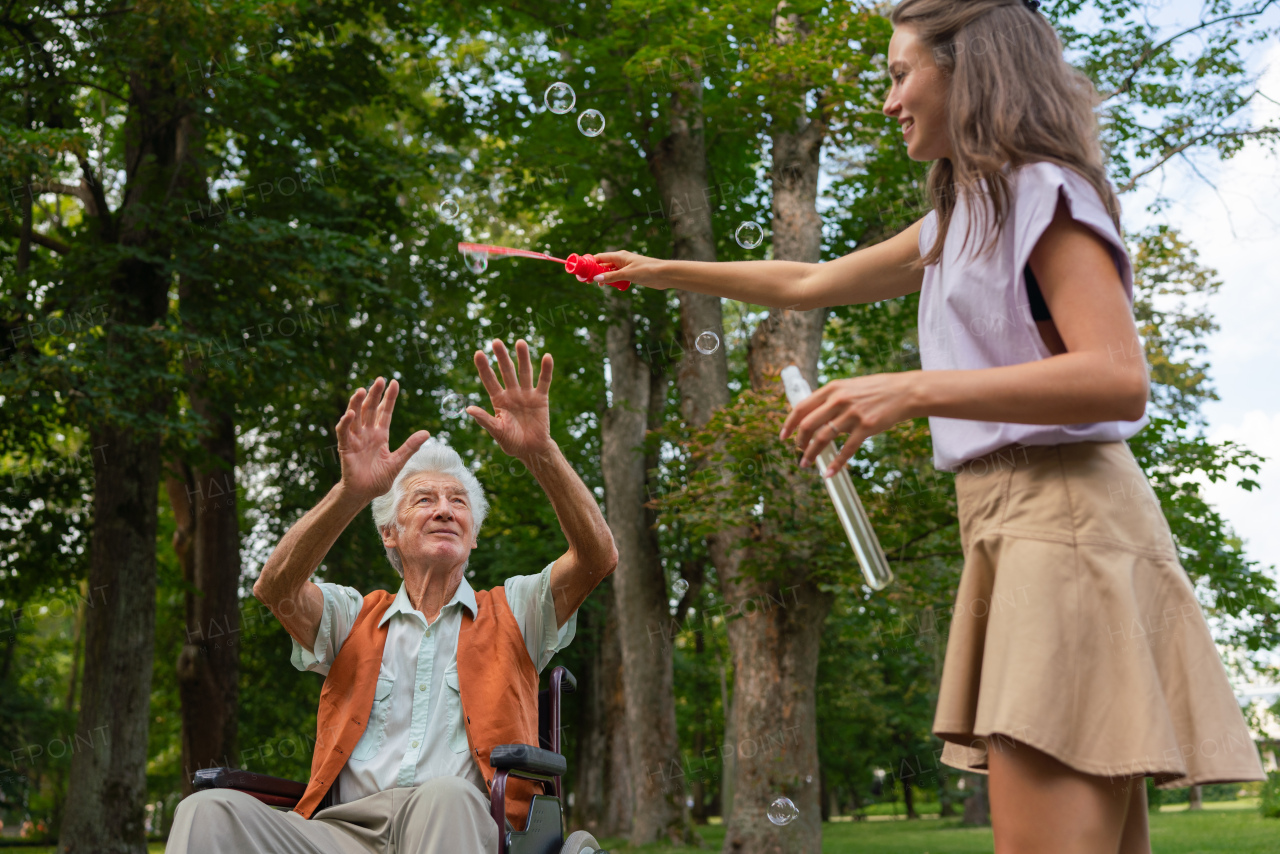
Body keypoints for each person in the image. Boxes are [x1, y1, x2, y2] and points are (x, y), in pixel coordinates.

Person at [593, 0, 1264, 851]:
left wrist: (914, 389)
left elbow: (1117, 376)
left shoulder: (1042, 191)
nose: (888, 100)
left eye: (900, 73)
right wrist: (657, 269)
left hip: (1063, 528)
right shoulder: (960, 220)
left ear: (968, 69)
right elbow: (807, 283)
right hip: (1022, 528)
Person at [166, 339, 617, 854]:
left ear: (473, 536)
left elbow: (596, 557)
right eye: (424, 499)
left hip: (462, 822)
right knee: (205, 809)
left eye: (458, 503)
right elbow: (276, 588)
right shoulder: (351, 617)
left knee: (444, 795)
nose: (445, 510)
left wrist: (540, 452)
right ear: (390, 533)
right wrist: (352, 493)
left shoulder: (516, 609)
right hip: (343, 833)